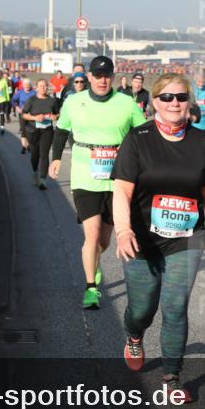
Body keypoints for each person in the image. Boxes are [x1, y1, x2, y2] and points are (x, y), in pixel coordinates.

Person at [113, 73, 205, 402]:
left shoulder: (202, 141)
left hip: (185, 239)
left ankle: (171, 378)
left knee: (175, 307)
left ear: (189, 101)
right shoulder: (138, 138)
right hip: (142, 239)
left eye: (180, 97)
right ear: (155, 102)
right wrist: (123, 229)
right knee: (142, 308)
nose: (174, 103)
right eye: (167, 97)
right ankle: (135, 335)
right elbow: (121, 189)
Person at [49, 56, 147, 309]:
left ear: (113, 77)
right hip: (85, 175)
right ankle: (91, 288)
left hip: (118, 178)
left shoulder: (127, 103)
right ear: (89, 77)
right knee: (91, 236)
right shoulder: (73, 101)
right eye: (97, 75)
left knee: (104, 241)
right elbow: (61, 131)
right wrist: (56, 158)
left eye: (107, 75)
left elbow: (143, 135)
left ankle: (93, 261)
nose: (102, 80)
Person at [22, 78, 61, 190]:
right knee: (35, 155)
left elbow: (57, 114)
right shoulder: (31, 100)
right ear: (36, 88)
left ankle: (43, 179)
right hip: (33, 130)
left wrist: (55, 117)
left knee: (44, 154)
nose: (43, 88)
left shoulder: (52, 101)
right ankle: (35, 172)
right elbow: (24, 115)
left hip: (47, 130)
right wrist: (35, 117)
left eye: (45, 86)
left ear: (47, 87)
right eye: (41, 86)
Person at [12, 78, 36, 154]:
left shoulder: (34, 93)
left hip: (31, 114)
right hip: (22, 113)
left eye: (28, 85)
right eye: (25, 85)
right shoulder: (20, 92)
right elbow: (13, 100)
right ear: (23, 85)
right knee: (23, 129)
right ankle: (23, 146)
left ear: (30, 85)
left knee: (30, 130)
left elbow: (38, 102)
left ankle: (28, 145)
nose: (27, 86)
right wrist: (16, 107)